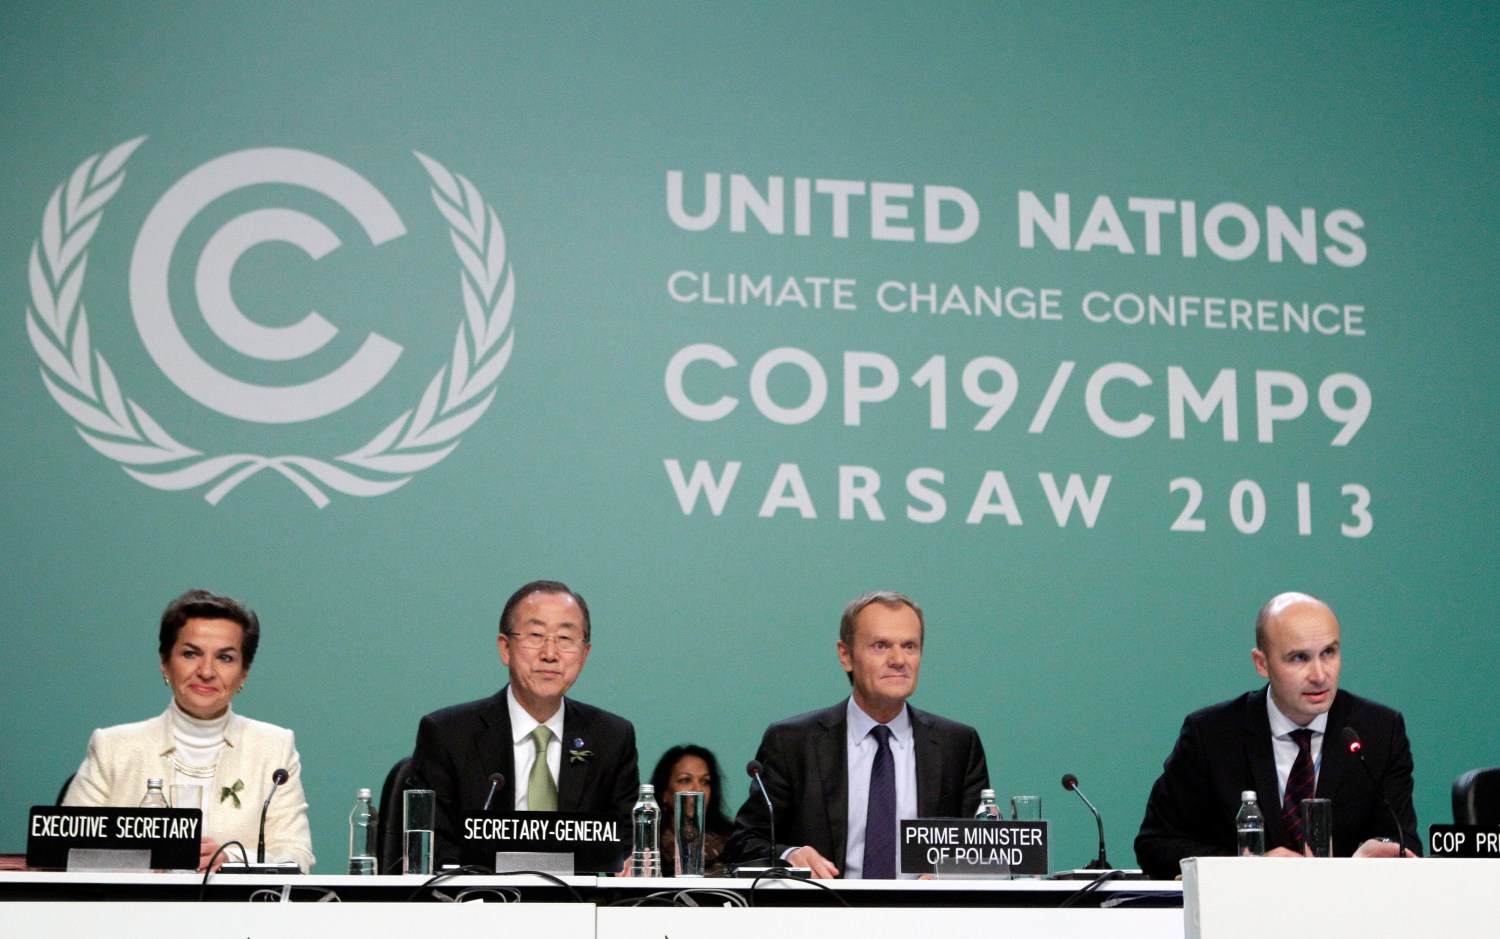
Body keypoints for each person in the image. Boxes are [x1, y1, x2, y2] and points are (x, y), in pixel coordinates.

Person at [1134, 591, 1420, 879]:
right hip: (1242, 905)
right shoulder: (1211, 735)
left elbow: (1403, 842)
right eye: (1299, 658)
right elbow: (1155, 844)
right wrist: (1248, 866)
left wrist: (1375, 854)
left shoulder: (1379, 731)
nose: (1319, 675)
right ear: (1262, 663)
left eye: (1328, 653)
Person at [724, 590, 990, 879]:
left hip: (926, 908)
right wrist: (790, 855)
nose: (898, 659)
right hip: (823, 905)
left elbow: (985, 852)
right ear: (846, 655)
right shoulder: (792, 743)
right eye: (880, 645)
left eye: (910, 646)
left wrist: (950, 872)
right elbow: (744, 843)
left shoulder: (957, 746)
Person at [63, 589, 315, 872]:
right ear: (165, 662)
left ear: (244, 672)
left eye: (225, 658)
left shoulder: (274, 747)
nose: (206, 671)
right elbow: (66, 853)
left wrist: (231, 858)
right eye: (191, 654)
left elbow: (298, 856)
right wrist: (145, 861)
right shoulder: (112, 747)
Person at [406, 579, 639, 868]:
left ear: (584, 655)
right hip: (478, 895)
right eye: (536, 634)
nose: (550, 653)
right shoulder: (448, 735)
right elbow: (431, 845)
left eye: (565, 638)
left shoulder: (611, 738)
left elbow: (627, 846)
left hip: (577, 896)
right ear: (505, 648)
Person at [650, 744, 734, 876]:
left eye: (705, 782)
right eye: (685, 780)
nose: (698, 789)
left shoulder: (732, 842)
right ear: (664, 793)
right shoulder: (649, 844)